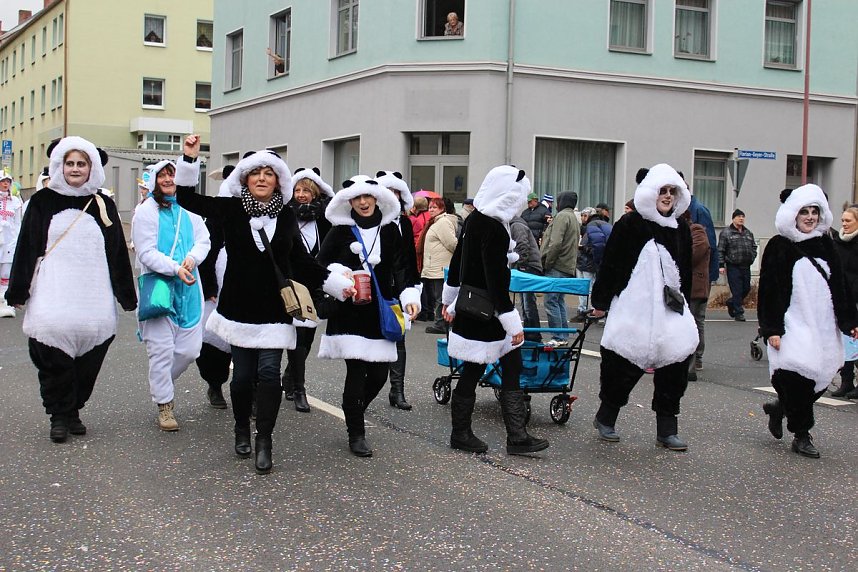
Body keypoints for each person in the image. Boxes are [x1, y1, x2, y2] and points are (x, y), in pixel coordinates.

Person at [175, 137, 353, 474]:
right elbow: (185, 197)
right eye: (254, 172)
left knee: (269, 375)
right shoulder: (230, 208)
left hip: (275, 309)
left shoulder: (285, 217)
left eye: (268, 173)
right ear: (244, 179)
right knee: (242, 379)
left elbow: (301, 261)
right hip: (239, 309)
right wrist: (189, 158)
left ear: (278, 181)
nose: (261, 178)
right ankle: (241, 427)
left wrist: (336, 284)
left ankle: (264, 439)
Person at [6, 136, 136, 442]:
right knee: (51, 348)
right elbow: (27, 247)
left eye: (82, 163)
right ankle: (59, 415)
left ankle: (74, 407)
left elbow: (116, 252)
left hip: (93, 294)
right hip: (54, 290)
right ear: (59, 166)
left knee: (91, 354)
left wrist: (126, 296)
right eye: (70, 163)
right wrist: (18, 291)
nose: (75, 169)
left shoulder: (103, 204)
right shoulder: (42, 202)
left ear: (92, 167)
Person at [589, 164, 698, 451]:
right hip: (634, 307)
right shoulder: (631, 225)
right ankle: (606, 415)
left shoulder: (680, 229)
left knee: (675, 367)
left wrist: (683, 303)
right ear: (650, 193)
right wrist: (600, 301)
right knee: (622, 364)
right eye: (662, 191)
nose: (667, 196)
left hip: (670, 309)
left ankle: (667, 428)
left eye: (671, 192)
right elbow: (611, 264)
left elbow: (684, 271)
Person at [441, 165, 549, 455]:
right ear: (508, 195)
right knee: (478, 369)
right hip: (489, 313)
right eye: (520, 196)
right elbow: (495, 279)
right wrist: (512, 322)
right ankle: (472, 434)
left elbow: (457, 263)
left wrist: (448, 298)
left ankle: (513, 435)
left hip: (472, 307)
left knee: (489, 368)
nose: (524, 203)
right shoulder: (495, 227)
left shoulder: (476, 219)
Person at [317, 176, 421, 457]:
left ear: (377, 199)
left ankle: (354, 409)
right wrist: (340, 274)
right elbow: (321, 265)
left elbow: (401, 268)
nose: (363, 203)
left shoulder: (389, 231)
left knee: (379, 374)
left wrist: (410, 297)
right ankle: (356, 433)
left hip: (380, 312)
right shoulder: (339, 231)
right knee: (356, 370)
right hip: (349, 310)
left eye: (368, 197)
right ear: (348, 201)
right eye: (357, 198)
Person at [758, 186, 858, 458]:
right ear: (793, 213)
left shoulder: (827, 244)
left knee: (821, 376)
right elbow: (770, 290)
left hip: (823, 325)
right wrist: (772, 329)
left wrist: (849, 321)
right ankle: (802, 434)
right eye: (805, 211)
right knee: (797, 375)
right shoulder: (780, 246)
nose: (810, 217)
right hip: (793, 324)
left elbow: (840, 285)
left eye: (815, 211)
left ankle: (780, 407)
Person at [132, 160, 211, 431]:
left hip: (189, 288)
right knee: (161, 351)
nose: (168, 179)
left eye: (172, 175)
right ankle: (165, 404)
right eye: (163, 175)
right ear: (154, 180)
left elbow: (204, 240)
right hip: (160, 288)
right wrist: (174, 268)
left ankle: (161, 381)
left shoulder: (191, 211)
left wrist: (191, 259)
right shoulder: (145, 212)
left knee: (190, 351)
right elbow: (145, 252)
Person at [280, 167, 335, 413]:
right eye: (297, 190)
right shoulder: (285, 215)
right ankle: (299, 388)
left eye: (306, 190)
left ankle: (290, 376)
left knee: (308, 337)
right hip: (290, 283)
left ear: (315, 194)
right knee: (298, 337)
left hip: (314, 284)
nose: (301, 195)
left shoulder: (323, 220)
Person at [376, 170, 421, 411]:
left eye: (396, 192)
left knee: (399, 337)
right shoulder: (375, 222)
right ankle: (368, 387)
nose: (392, 196)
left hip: (403, 287)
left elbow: (409, 258)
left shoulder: (404, 221)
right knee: (376, 337)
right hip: (379, 286)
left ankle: (397, 390)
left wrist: (414, 286)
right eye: (388, 192)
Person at [194, 165, 235, 410]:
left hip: (250, 291)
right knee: (214, 345)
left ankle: (250, 394)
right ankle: (215, 383)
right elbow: (207, 253)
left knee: (252, 349)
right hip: (218, 289)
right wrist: (209, 285)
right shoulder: (218, 216)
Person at [539, 190, 580, 347]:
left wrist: (547, 262)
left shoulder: (562, 216)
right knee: (559, 301)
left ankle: (558, 336)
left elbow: (555, 243)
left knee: (551, 301)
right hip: (567, 266)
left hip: (557, 265)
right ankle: (563, 336)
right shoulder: (573, 217)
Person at [418, 197, 458, 334]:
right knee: (438, 297)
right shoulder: (435, 222)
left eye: (434, 207)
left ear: (442, 209)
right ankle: (442, 322)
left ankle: (442, 323)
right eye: (429, 207)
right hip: (434, 265)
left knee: (442, 297)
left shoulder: (443, 222)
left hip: (441, 266)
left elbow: (452, 244)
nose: (431, 210)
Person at [831, 206, 858, 398]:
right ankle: (846, 381)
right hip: (842, 300)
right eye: (842, 220)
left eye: (848, 221)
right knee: (845, 342)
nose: (844, 224)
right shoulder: (837, 243)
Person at [685, 211, 711, 382]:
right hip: (690, 285)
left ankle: (692, 364)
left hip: (696, 286)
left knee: (693, 324)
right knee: (693, 323)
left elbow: (693, 255)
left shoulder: (697, 231)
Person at [509, 210, 543, 343]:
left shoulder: (516, 225)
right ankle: (530, 332)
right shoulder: (517, 224)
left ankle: (533, 334)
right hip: (528, 265)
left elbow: (523, 246)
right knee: (526, 302)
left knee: (528, 302)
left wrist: (520, 265)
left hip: (528, 266)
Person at [718, 209, 757, 322]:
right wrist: (721, 265)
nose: (741, 218)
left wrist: (752, 257)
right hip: (733, 266)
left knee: (746, 288)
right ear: (733, 218)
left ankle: (731, 302)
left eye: (743, 216)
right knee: (737, 290)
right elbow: (721, 250)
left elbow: (754, 247)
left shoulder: (748, 233)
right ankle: (739, 312)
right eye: (739, 216)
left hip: (746, 265)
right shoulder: (726, 233)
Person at [575, 206, 612, 320]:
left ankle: (593, 310)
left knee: (589, 287)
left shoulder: (593, 225)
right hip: (586, 261)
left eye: (585, 215)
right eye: (582, 215)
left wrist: (597, 261)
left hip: (590, 262)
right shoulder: (597, 225)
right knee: (587, 287)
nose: (582, 218)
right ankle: (587, 309)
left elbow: (598, 245)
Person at [0, 173, 23, 318]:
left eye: (7, 181)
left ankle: (4, 302)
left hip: (10, 241)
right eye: (2, 181)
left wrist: (18, 238)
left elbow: (18, 221)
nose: (5, 184)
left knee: (6, 272)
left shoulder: (15, 201)